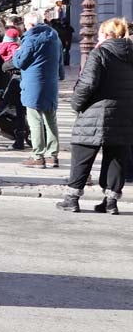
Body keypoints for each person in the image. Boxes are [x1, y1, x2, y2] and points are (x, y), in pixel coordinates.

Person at [57, 18, 133, 213]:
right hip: (124, 114)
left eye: (100, 33)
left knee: (82, 153)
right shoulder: (130, 54)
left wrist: (76, 104)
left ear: (107, 35)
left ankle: (72, 198)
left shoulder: (100, 53)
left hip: (95, 113)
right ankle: (111, 202)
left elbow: (88, 83)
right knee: (116, 157)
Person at [11, 10, 63, 168]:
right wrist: (60, 75)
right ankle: (52, 155)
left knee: (35, 120)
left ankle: (38, 156)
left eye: (26, 25)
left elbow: (20, 62)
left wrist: (16, 53)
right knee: (51, 119)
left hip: (34, 84)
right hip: (51, 83)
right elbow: (60, 60)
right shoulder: (54, 36)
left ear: (31, 25)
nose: (25, 29)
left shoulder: (31, 38)